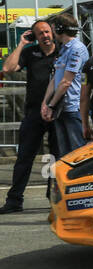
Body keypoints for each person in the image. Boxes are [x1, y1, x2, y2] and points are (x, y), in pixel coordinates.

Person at [0, 20, 59, 214]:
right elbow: (8, 69)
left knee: (57, 158)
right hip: (34, 112)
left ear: (52, 32)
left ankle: (55, 199)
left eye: (47, 31)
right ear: (35, 36)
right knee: (24, 157)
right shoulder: (30, 52)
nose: (45, 36)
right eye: (40, 33)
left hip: (58, 112)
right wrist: (22, 44)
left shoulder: (64, 51)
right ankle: (14, 200)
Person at [41, 15, 89, 156]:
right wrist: (45, 103)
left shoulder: (77, 48)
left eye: (54, 29)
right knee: (65, 155)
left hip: (72, 108)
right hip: (61, 108)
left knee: (77, 154)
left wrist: (51, 105)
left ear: (60, 29)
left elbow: (66, 82)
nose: (52, 32)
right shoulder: (64, 49)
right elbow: (56, 78)